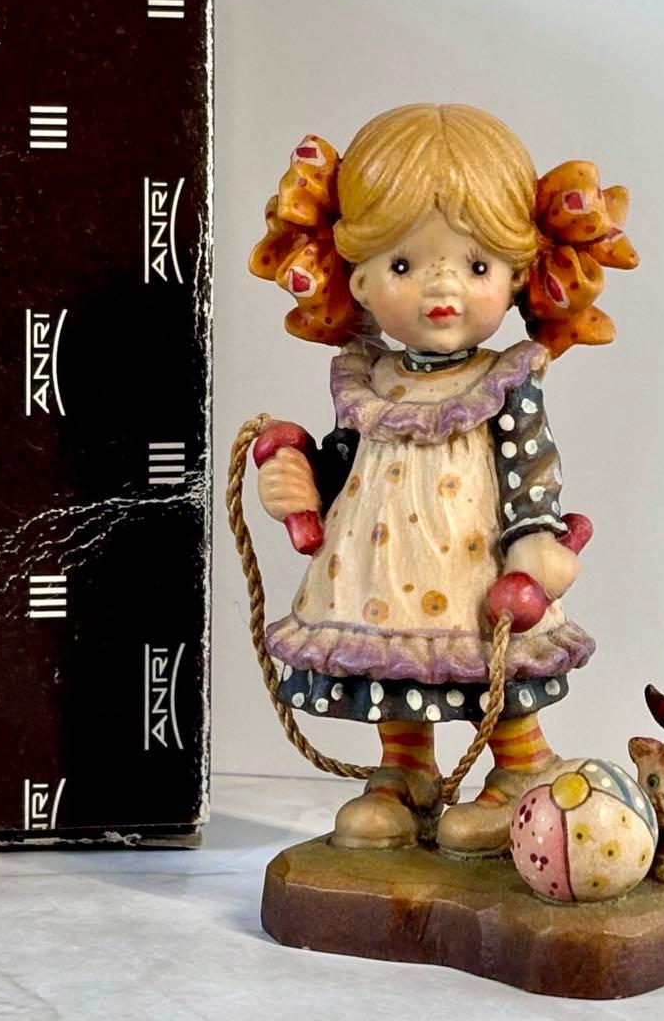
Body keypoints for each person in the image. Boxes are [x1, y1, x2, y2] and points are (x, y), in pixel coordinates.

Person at [249, 103, 638, 855]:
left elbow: (527, 466)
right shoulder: (367, 379)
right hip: (378, 569)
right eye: (403, 265)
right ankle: (406, 772)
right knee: (393, 660)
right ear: (358, 278)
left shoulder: (504, 380)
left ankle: (520, 769)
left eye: (476, 266)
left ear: (518, 275)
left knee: (487, 654)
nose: (442, 288)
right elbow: (348, 462)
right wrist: (302, 485)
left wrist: (534, 540)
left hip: (472, 562)